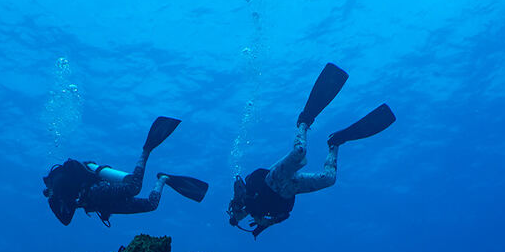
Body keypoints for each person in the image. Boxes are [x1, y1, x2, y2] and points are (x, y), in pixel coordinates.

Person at [228, 63, 395, 237]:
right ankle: (336, 143)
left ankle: (304, 121)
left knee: (299, 152)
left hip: (273, 180)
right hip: (288, 190)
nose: (238, 216)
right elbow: (280, 216)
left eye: (236, 213)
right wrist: (265, 223)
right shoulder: (257, 214)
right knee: (329, 179)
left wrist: (242, 208)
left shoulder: (245, 198)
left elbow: (243, 189)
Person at [43, 117, 208, 226]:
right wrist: (53, 201)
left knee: (134, 187)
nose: (48, 192)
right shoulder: (58, 197)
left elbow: (73, 197)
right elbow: (66, 220)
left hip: (96, 192)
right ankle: (163, 179)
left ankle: (146, 151)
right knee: (150, 205)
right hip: (101, 205)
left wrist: (53, 196)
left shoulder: (58, 183)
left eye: (48, 190)